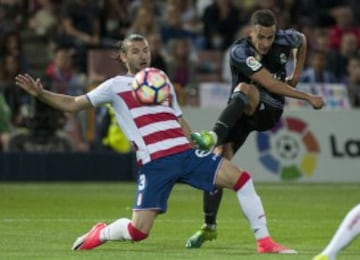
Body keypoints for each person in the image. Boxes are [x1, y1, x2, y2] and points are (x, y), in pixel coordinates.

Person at [15, 33, 296, 254]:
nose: (142, 55)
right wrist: (41, 94)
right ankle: (100, 233)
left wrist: (195, 139)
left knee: (242, 179)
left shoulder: (161, 80)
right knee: (139, 232)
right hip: (155, 163)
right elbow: (74, 104)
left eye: (146, 50)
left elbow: (179, 119)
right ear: (123, 56)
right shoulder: (114, 86)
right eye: (135, 51)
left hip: (186, 153)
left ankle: (265, 242)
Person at [187, 9, 325, 248]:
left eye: (270, 37)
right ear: (251, 32)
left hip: (269, 108)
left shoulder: (285, 39)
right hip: (241, 111)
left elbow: (301, 40)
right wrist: (308, 96)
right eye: (260, 36)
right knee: (218, 163)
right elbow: (270, 81)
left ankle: (212, 135)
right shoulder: (240, 51)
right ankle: (209, 226)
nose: (265, 43)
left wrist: (297, 73)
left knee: (245, 88)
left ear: (275, 33)